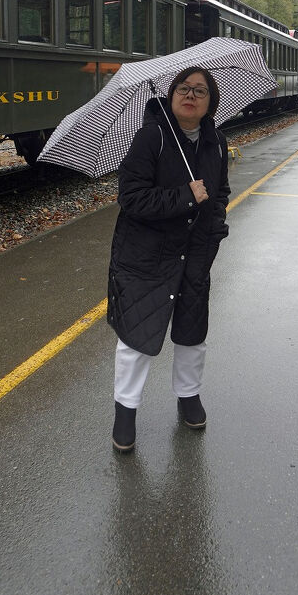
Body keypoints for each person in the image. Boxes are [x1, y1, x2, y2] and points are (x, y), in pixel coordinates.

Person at [107, 66, 230, 452]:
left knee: (193, 334)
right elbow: (131, 199)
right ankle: (125, 412)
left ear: (211, 103)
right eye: (183, 88)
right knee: (137, 339)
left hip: (194, 253)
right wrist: (185, 196)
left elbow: (221, 190)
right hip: (147, 255)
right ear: (171, 94)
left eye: (200, 91)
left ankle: (189, 397)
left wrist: (214, 227)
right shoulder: (151, 138)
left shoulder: (217, 142)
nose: (190, 95)